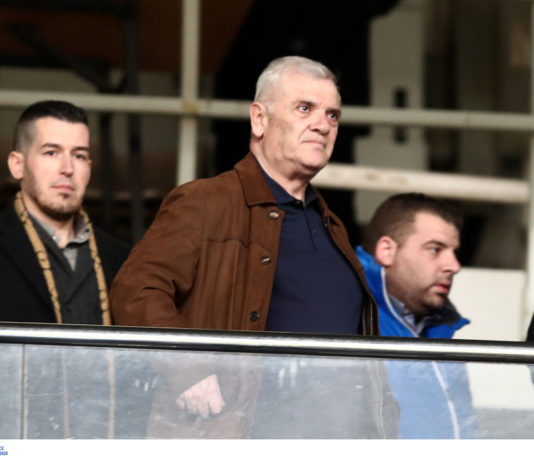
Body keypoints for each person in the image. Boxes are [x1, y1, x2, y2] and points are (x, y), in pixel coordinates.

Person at [110, 56, 397, 437]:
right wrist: (187, 370)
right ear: (259, 119)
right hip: (240, 439)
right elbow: (135, 289)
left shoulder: (333, 225)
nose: (322, 124)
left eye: (332, 115)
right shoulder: (205, 202)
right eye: (304, 108)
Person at [0, 100, 149, 438]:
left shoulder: (124, 259)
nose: (67, 168)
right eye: (51, 152)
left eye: (79, 155)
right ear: (17, 165)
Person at [356, 192, 479, 438]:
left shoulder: (440, 327)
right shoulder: (347, 319)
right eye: (435, 249)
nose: (454, 266)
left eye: (454, 252)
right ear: (387, 251)